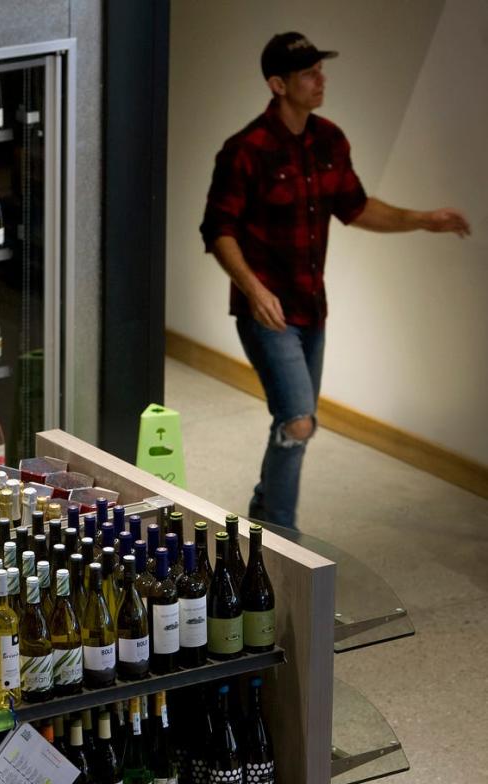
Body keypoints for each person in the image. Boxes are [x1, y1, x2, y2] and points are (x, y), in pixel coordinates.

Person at [199, 32, 470, 530]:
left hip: (311, 307)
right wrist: (253, 289)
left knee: (295, 423)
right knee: (298, 422)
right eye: (308, 73)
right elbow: (218, 229)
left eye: (320, 70)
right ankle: (280, 532)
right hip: (267, 310)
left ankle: (263, 512)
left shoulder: (329, 140)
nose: (320, 80)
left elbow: (357, 207)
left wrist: (423, 219)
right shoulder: (246, 150)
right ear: (278, 84)